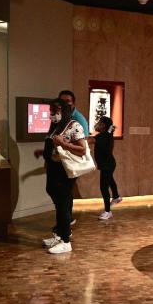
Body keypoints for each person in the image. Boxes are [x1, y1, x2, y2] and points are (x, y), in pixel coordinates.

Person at [34, 98, 86, 253]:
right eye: (51, 111)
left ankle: (65, 241)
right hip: (53, 168)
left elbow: (82, 149)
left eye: (55, 111)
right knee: (58, 202)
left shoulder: (74, 125)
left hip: (64, 171)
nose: (52, 114)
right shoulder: (56, 126)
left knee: (63, 204)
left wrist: (64, 144)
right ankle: (59, 235)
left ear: (64, 111)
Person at [58, 90, 89, 227]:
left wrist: (65, 145)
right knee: (63, 194)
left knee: (65, 193)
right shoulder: (62, 118)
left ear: (73, 103)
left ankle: (66, 226)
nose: (64, 104)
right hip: (62, 161)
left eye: (68, 102)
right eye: (62, 102)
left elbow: (84, 145)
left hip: (70, 162)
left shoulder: (77, 120)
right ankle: (65, 224)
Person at [91, 116, 122, 220]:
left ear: (103, 125)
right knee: (110, 180)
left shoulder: (102, 136)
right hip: (109, 164)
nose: (97, 124)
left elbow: (89, 140)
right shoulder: (107, 134)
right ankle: (116, 196)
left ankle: (108, 212)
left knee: (103, 187)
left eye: (99, 122)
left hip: (107, 165)